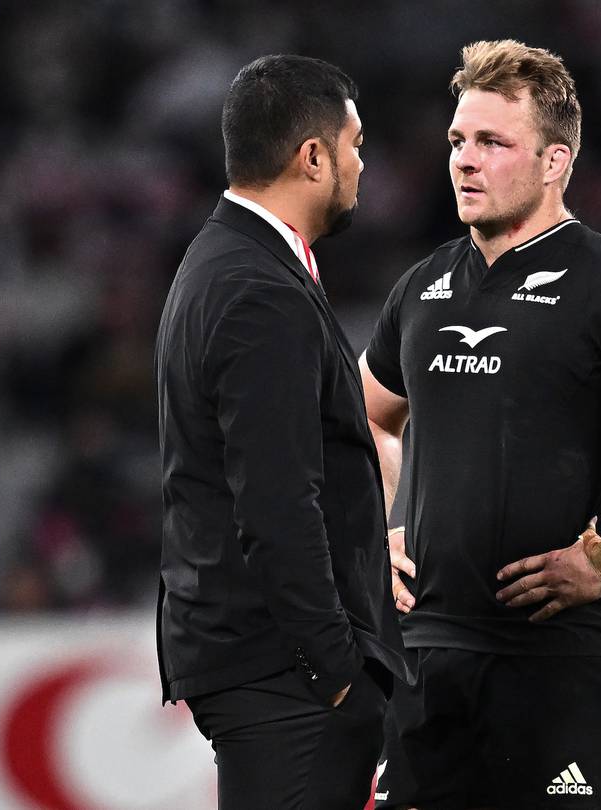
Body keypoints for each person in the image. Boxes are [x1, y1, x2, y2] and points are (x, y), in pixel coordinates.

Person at [360, 39, 601, 809]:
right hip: (426, 659)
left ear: (555, 160)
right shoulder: (423, 287)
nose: (465, 160)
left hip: (557, 666)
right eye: (459, 141)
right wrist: (376, 529)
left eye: (493, 143)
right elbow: (368, 418)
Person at [155, 54, 411, 810]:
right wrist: (335, 670)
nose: (364, 164)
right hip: (284, 676)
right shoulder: (257, 289)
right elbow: (275, 502)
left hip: (267, 668)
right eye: (355, 144)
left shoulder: (228, 263)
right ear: (312, 157)